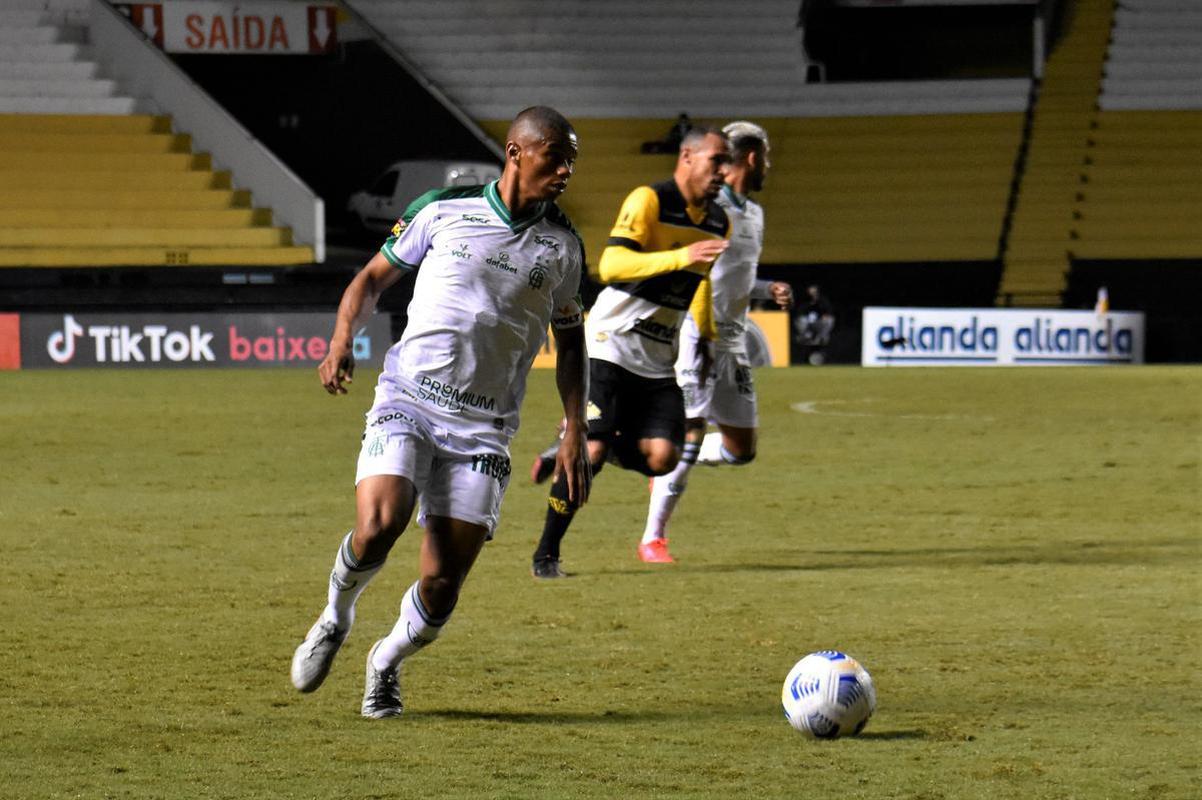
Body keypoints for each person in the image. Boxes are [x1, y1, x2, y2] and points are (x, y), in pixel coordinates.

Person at [290, 106, 591, 718]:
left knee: (442, 584)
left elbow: (571, 340)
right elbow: (371, 280)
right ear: (516, 153)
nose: (565, 172)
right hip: (410, 399)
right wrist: (342, 339)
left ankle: (385, 662)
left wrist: (575, 427)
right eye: (555, 158)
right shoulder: (442, 209)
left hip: (484, 428)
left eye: (571, 162)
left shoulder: (563, 246)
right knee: (381, 523)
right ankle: (335, 616)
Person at [529, 126, 732, 579]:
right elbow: (612, 265)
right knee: (592, 453)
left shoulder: (719, 221)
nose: (724, 170)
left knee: (663, 457)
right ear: (687, 157)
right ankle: (546, 555)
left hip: (658, 360)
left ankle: (578, 441)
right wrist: (681, 256)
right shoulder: (650, 200)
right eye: (717, 160)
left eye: (727, 162)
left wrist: (707, 335)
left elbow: (700, 280)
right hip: (610, 344)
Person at [640, 121, 793, 563]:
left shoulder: (755, 214)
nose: (768, 166)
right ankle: (653, 539)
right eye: (766, 157)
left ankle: (664, 456)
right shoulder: (708, 209)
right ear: (752, 158)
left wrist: (767, 290)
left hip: (734, 343)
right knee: (692, 432)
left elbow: (734, 279)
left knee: (741, 450)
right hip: (697, 336)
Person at [794, 283, 835, 365]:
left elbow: (828, 313)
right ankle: (806, 335)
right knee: (802, 321)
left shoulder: (823, 302)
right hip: (807, 326)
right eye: (810, 291)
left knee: (829, 320)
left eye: (814, 291)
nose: (812, 293)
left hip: (819, 325)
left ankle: (821, 337)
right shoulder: (804, 303)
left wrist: (825, 317)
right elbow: (799, 315)